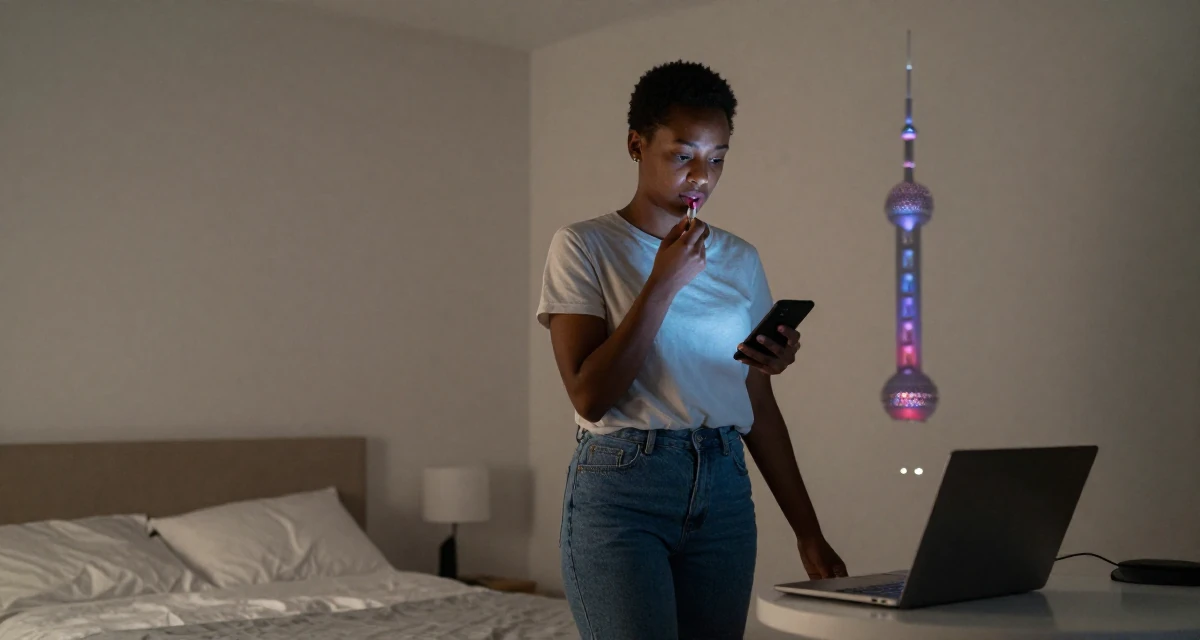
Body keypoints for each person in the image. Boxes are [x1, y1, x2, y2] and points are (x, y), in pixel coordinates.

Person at [536, 60, 847, 639]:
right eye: (683, 155)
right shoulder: (584, 245)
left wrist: (808, 531)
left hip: (724, 488)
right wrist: (662, 284)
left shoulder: (740, 258)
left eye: (718, 158)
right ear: (636, 145)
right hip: (623, 487)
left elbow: (757, 402)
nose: (702, 176)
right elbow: (589, 396)